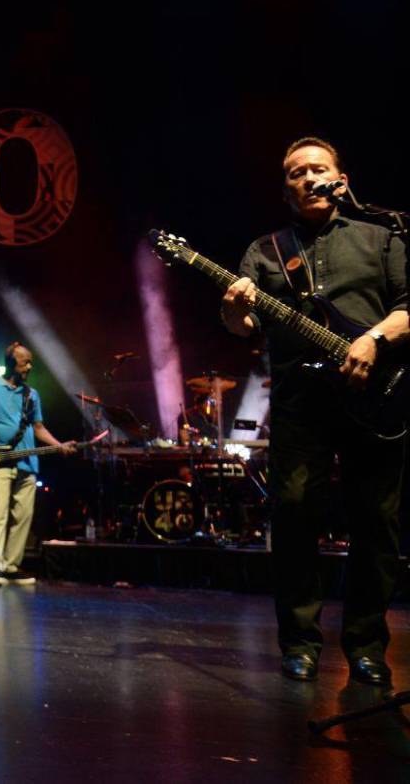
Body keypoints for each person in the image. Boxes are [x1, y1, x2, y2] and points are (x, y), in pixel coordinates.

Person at [222, 136, 408, 685]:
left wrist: (373, 339)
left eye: (318, 168)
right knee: (295, 514)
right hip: (300, 403)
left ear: (340, 180)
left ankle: (367, 646)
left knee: (376, 521)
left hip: (375, 394)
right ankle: (299, 643)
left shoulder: (383, 236)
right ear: (286, 190)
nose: (308, 177)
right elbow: (244, 327)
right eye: (296, 172)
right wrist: (233, 309)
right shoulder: (265, 251)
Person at [0, 342, 74, 587]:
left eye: (30, 363)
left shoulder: (31, 394)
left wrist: (59, 445)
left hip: (28, 463)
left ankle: (11, 566)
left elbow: (38, 428)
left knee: (23, 516)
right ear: (10, 363)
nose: (29, 367)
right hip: (1, 462)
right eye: (24, 362)